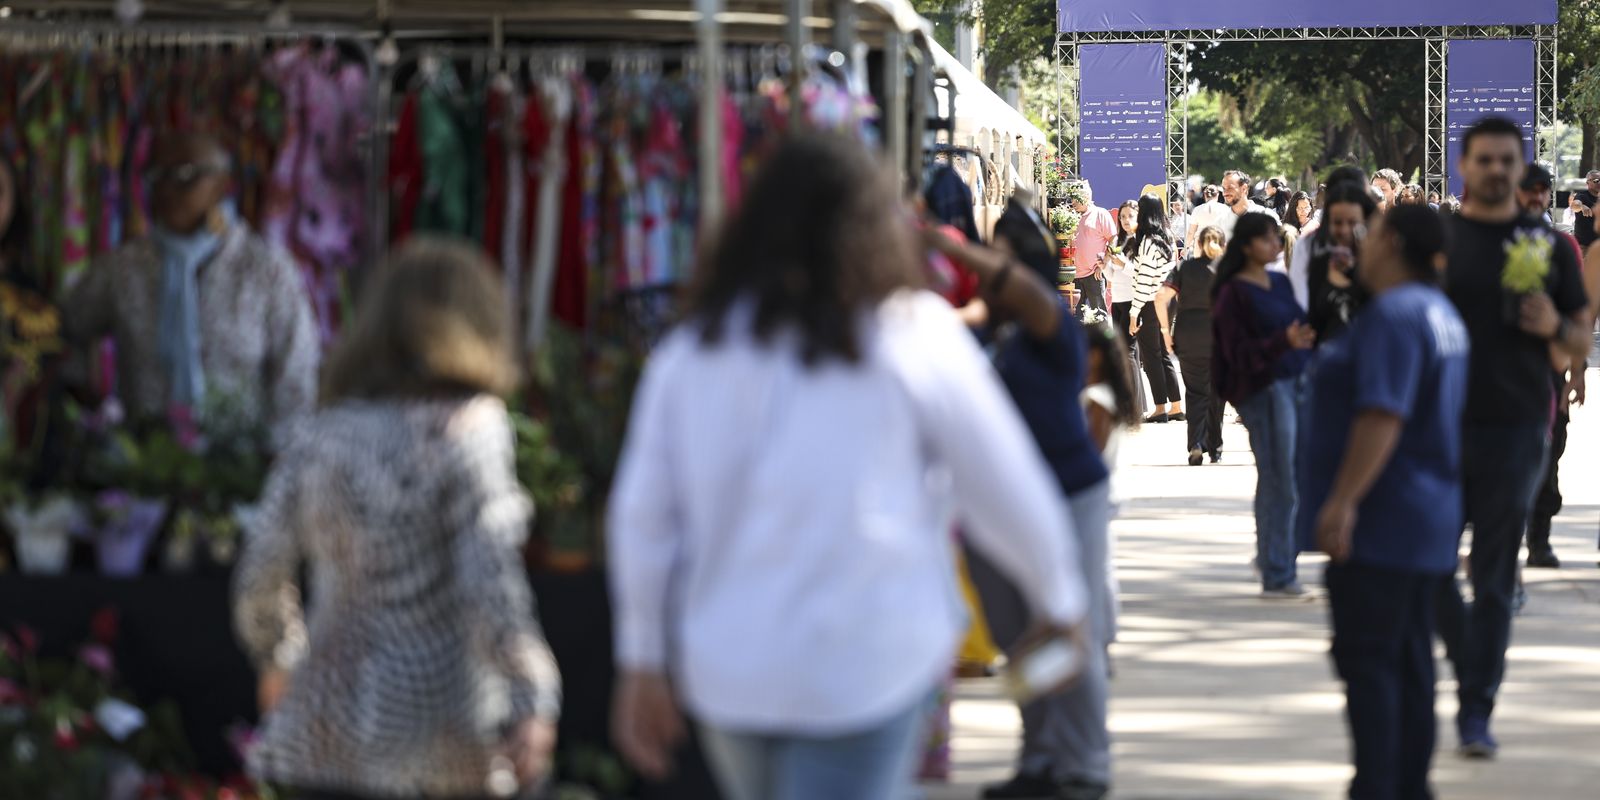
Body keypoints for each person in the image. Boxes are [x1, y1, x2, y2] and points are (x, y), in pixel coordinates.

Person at [606, 134, 1090, 800]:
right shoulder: (912, 335)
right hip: (869, 661)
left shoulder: (692, 354)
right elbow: (1002, 482)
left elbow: (644, 520)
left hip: (731, 672)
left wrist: (641, 658)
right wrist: (1060, 596)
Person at [233, 239, 562, 799]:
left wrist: (278, 660)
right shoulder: (470, 428)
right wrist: (532, 693)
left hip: (326, 729)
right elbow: (488, 579)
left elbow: (262, 567)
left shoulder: (321, 434)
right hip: (443, 732)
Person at [943, 203, 1116, 800]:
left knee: (1071, 628)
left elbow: (1021, 291)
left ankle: (1085, 765)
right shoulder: (995, 329)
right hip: (1002, 506)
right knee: (1018, 636)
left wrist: (950, 247)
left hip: (1070, 493)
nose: (989, 272)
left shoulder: (1051, 323)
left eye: (1001, 260)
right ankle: (1041, 757)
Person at [1301, 205, 1469, 800]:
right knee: (1408, 663)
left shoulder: (1396, 316)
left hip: (1386, 520)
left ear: (1393, 242)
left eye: (1369, 235)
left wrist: (1343, 500)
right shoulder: (1439, 312)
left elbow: (1382, 414)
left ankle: (1379, 786)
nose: (1359, 244)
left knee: (1373, 666)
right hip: (1423, 518)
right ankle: (1409, 785)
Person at [1437, 117, 1591, 759]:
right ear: (1465, 166)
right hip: (1438, 429)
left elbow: (1578, 338)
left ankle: (1477, 707)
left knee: (1496, 574)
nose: (1498, 170)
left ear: (1520, 167)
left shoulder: (1548, 246)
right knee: (1428, 567)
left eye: (1508, 160)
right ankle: (1471, 656)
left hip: (1518, 425)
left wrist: (1556, 324)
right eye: (1486, 160)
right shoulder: (1439, 243)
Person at [64, 131, 319, 441]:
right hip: (145, 455)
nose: (169, 188)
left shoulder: (265, 270)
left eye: (187, 175)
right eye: (158, 176)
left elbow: (297, 373)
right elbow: (67, 329)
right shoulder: (124, 268)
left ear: (223, 183)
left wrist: (277, 449)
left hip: (242, 454)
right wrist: (88, 399)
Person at [1212, 212, 1315, 598]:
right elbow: (1236, 352)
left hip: (1293, 382)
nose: (1275, 244)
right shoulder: (1233, 292)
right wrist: (1282, 343)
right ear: (1247, 245)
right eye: (1267, 238)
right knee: (1279, 481)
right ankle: (1278, 570)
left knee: (1285, 478)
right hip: (1263, 390)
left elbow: (1300, 324)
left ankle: (1274, 560)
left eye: (1276, 238)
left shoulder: (1279, 281)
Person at [1517, 163, 1581, 570]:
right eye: (1529, 188)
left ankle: (1539, 539)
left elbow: (1578, 316)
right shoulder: (1486, 242)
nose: (1537, 196)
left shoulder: (1563, 247)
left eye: (1543, 189)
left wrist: (1577, 370)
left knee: (1551, 453)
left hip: (1549, 371)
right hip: (1496, 373)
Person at [1156, 225, 1227, 466]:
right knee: (1217, 392)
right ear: (1223, 245)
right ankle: (1215, 448)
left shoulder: (1184, 268)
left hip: (1188, 335)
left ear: (1198, 244)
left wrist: (1165, 331)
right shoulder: (1227, 269)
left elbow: (1160, 297)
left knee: (1196, 392)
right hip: (1218, 336)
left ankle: (1196, 443)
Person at [1128, 195, 1184, 424]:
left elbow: (1144, 281)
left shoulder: (1148, 241)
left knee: (1151, 356)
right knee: (1163, 354)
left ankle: (1160, 407)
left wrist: (1134, 313)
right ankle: (1176, 405)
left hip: (1151, 302)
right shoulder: (1168, 237)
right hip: (1168, 301)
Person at [1298, 182, 1378, 343]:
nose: (1345, 230)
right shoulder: (1318, 261)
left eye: (1352, 222)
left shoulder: (1376, 264)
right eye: (1337, 222)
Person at [1071, 182, 1117, 314]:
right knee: (1076, 316)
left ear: (1086, 197)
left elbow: (1114, 240)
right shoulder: (1070, 216)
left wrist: (1103, 265)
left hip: (1094, 273)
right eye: (1072, 198)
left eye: (1076, 198)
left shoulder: (1101, 214)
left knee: (1099, 315)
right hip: (1073, 275)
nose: (1073, 202)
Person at [1106, 200, 1139, 357]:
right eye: (1122, 216)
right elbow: (1112, 276)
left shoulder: (1141, 240)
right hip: (1117, 299)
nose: (1126, 220)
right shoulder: (1116, 240)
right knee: (1122, 347)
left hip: (1133, 299)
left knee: (1128, 350)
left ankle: (1131, 374)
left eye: (1130, 216)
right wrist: (1103, 266)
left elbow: (1141, 273)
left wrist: (1123, 264)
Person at [1220, 170, 1275, 239]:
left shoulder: (1266, 216)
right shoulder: (1220, 222)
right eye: (1224, 188)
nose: (1225, 193)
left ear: (1244, 188)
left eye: (1230, 188)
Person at [1188, 184, 1229, 251]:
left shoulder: (1197, 209)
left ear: (1204, 195)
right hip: (1218, 244)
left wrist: (1186, 247)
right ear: (1217, 194)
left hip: (1201, 244)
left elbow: (1191, 232)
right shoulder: (1225, 209)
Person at [1567, 169, 1600, 250]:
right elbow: (1574, 205)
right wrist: (1582, 206)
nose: (1599, 182)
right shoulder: (1582, 195)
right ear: (1587, 182)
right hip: (1584, 247)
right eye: (1596, 180)